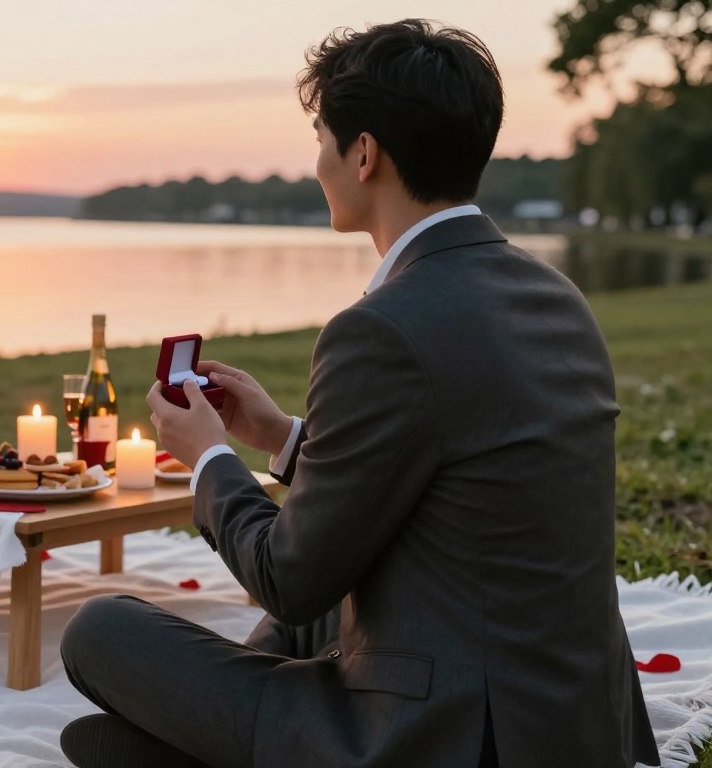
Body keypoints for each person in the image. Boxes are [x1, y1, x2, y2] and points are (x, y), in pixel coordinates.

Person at [59, 19, 659, 768]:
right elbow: (457, 471)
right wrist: (282, 437)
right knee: (296, 638)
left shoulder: (380, 329)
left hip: (453, 739)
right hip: (573, 722)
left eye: (322, 138)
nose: (317, 163)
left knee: (100, 631)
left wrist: (210, 459)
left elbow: (290, 579)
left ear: (365, 153)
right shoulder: (555, 295)